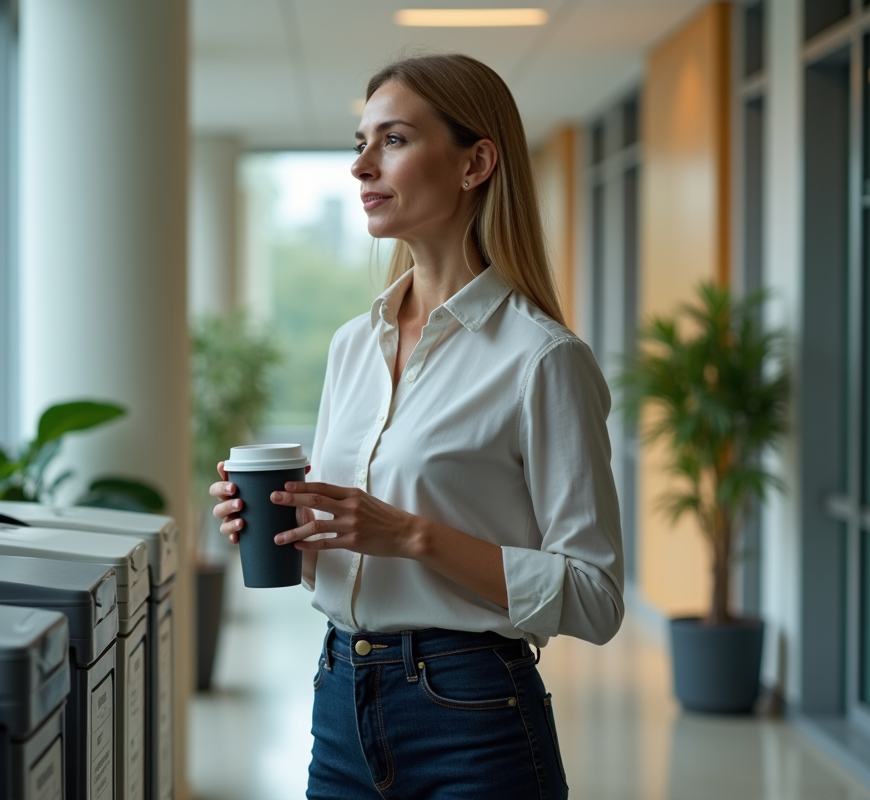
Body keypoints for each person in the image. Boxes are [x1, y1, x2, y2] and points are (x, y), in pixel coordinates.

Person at [210, 53, 622, 800]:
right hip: (340, 700)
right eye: (359, 144)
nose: (362, 166)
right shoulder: (351, 346)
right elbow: (347, 564)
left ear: (476, 163)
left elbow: (595, 596)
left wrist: (413, 535)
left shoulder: (542, 360)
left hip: (471, 714)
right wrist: (288, 533)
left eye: (393, 140)